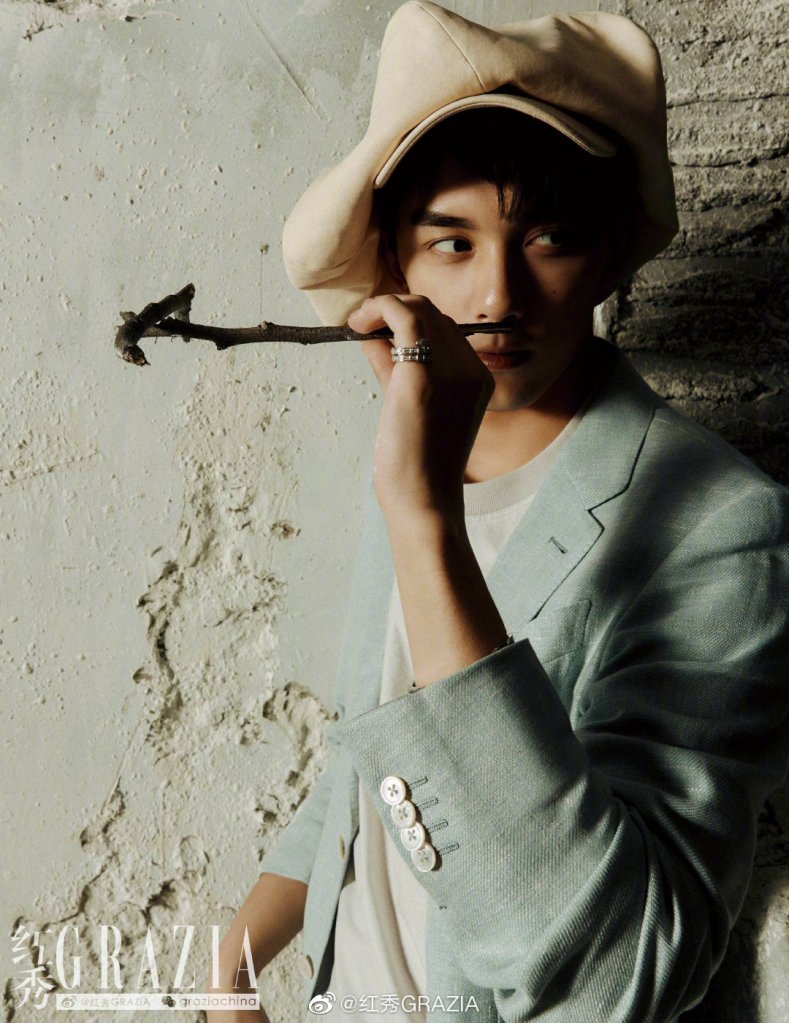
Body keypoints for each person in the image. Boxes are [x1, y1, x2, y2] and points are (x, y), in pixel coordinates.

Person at [206, 4, 789, 1021]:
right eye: (451, 242)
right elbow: (374, 760)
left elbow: (622, 976)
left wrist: (422, 516)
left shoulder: (724, 528)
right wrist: (232, 964)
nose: (495, 295)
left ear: (607, 254)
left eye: (549, 238)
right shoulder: (422, 450)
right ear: (394, 264)